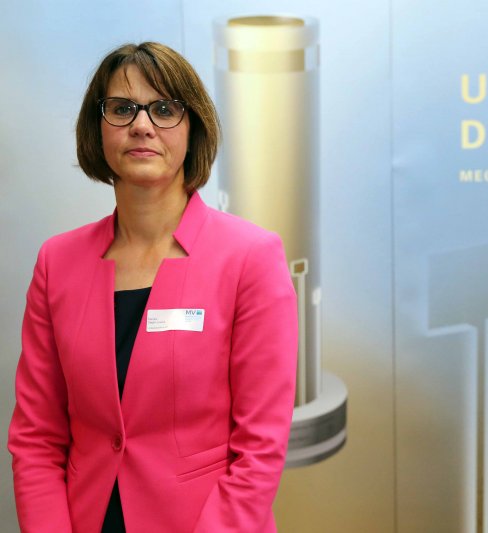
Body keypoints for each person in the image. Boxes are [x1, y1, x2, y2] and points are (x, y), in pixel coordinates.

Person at [7, 42, 298, 532]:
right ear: (97, 128)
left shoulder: (250, 257)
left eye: (164, 109)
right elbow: (37, 439)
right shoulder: (57, 263)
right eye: (122, 109)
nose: (142, 125)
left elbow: (260, 450)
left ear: (193, 128)